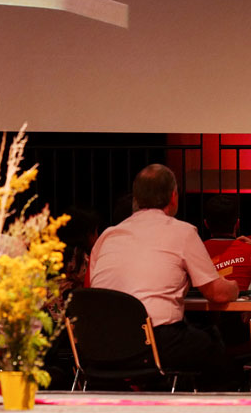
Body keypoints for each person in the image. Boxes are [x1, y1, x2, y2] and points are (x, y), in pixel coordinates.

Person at [89, 164, 239, 389]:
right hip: (154, 342)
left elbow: (93, 291)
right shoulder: (182, 232)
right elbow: (216, 293)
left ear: (136, 199)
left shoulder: (108, 235)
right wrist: (235, 287)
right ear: (173, 197)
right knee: (213, 345)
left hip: (100, 344)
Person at [203, 194, 251, 291]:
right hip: (243, 306)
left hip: (201, 305)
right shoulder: (249, 250)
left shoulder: (194, 251)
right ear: (237, 223)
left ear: (206, 224)